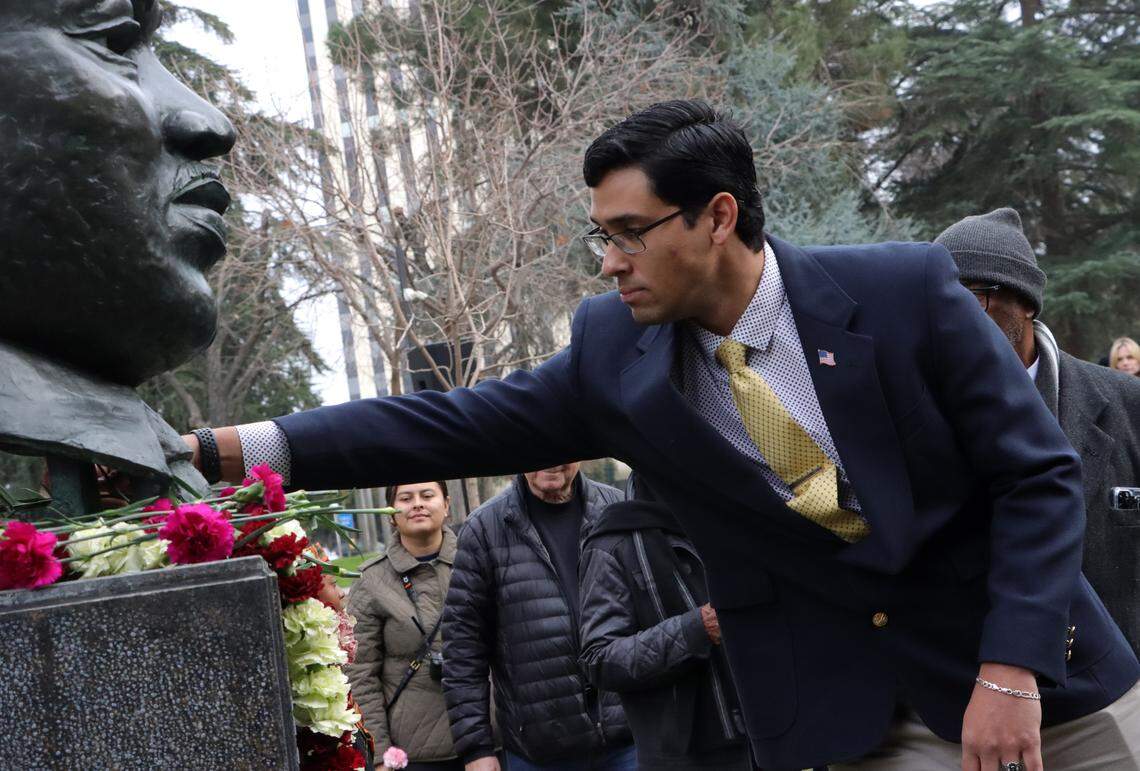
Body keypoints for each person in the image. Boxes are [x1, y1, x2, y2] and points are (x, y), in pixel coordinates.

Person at [186, 100, 1140, 770]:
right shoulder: (616, 357)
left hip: (1042, 684)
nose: (610, 262)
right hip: (857, 727)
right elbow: (445, 424)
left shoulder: (903, 293)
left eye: (631, 232)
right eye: (600, 235)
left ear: (718, 216)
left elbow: (1039, 476)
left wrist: (1011, 669)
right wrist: (230, 450)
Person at [936, 208, 1140, 658]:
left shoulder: (1127, 402)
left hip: (1119, 688)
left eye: (970, 298)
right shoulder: (915, 413)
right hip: (978, 692)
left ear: (1025, 301)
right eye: (936, 303)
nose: (949, 320)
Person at [442, 464, 633, 770]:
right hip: (538, 751)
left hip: (627, 742)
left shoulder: (617, 508)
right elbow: (464, 646)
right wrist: (476, 748)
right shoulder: (484, 528)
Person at [579, 475, 751, 770]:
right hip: (682, 757)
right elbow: (601, 659)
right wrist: (696, 629)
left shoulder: (726, 520)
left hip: (761, 737)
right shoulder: (612, 543)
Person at [346, 481, 462, 771]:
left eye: (427, 496)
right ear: (391, 513)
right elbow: (360, 675)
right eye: (406, 498)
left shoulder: (477, 561)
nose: (417, 504)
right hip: (412, 752)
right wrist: (379, 753)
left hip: (489, 741)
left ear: (446, 504)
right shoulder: (371, 582)